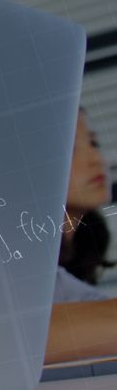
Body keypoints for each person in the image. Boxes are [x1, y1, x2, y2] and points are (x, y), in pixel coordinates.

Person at [47, 109, 117, 363]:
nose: (96, 159)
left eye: (94, 143)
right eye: (71, 148)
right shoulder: (15, 260)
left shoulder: (81, 252)